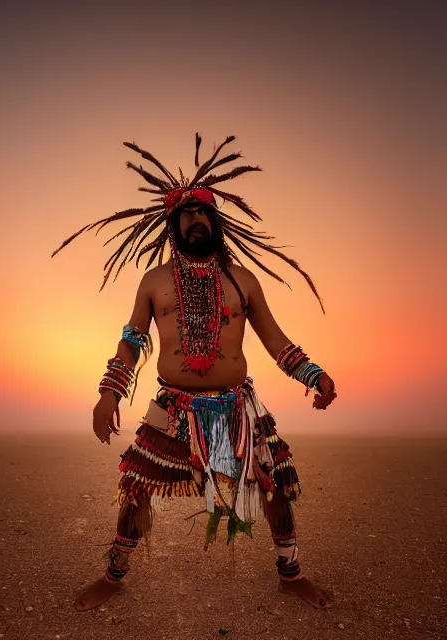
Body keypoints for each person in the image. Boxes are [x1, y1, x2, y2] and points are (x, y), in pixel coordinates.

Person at [51, 134, 337, 613]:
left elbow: (275, 340)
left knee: (275, 479)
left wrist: (313, 375)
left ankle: (291, 575)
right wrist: (108, 393)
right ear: (172, 224)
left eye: (204, 214)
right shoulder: (154, 281)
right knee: (136, 485)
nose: (196, 221)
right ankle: (113, 574)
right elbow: (133, 339)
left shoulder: (243, 281)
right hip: (173, 407)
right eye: (186, 215)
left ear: (216, 222)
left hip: (236, 408)